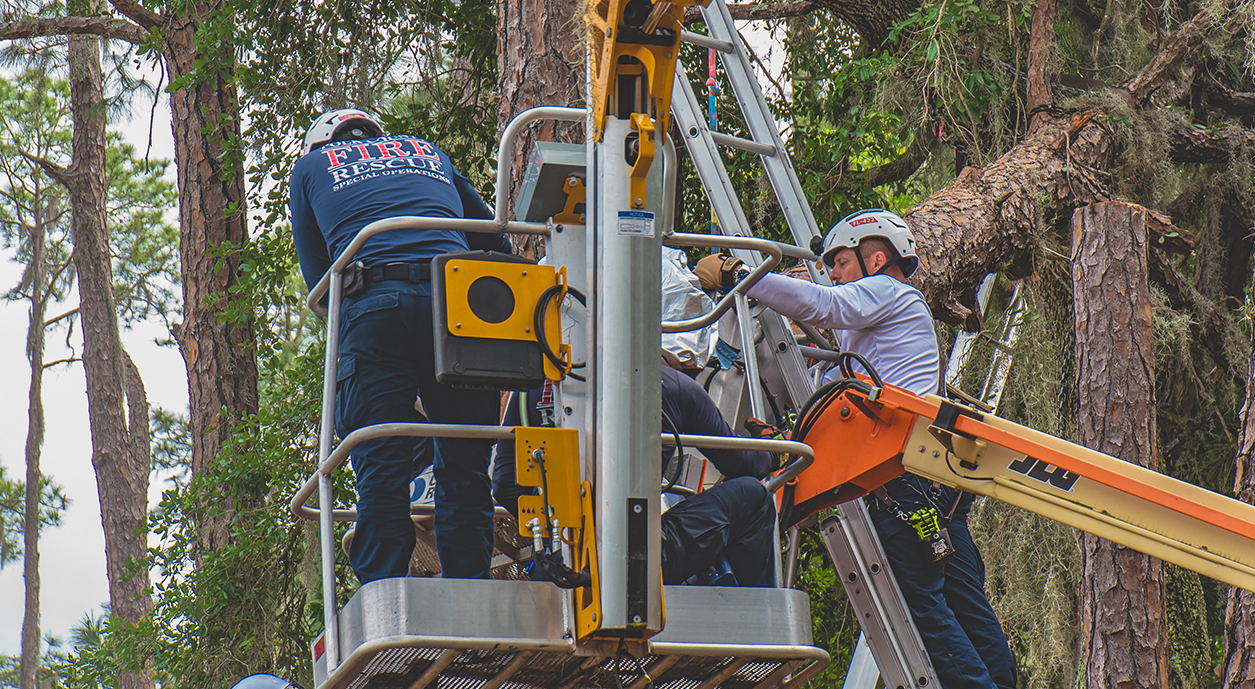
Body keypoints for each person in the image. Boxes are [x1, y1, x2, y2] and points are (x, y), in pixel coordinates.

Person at [696, 209, 1016, 689]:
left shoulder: (888, 292)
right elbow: (829, 384)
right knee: (965, 605)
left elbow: (821, 304)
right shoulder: (886, 332)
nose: (834, 275)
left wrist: (743, 278)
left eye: (841, 263)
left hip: (901, 482)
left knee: (923, 611)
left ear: (876, 258)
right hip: (934, 488)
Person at [289, 108, 511, 583]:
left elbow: (321, 284)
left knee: (382, 468)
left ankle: (385, 597)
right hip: (458, 303)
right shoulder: (426, 150)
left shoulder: (309, 169)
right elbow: (493, 238)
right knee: (465, 465)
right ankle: (470, 597)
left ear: (320, 145)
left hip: (374, 305)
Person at [493, 366, 782, 586]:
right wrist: (771, 447)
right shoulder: (672, 386)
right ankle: (757, 621)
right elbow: (745, 465)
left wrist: (560, 527)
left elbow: (505, 484)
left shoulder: (531, 390)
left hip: (560, 566)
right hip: (639, 561)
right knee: (753, 497)